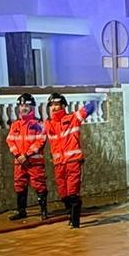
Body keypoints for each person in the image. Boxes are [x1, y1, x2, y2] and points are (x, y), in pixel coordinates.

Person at [45, 93, 96, 228]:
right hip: (59, 164)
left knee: (73, 193)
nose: (54, 108)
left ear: (63, 106)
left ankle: (75, 223)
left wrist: (94, 99)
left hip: (73, 162)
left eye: (57, 105)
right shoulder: (48, 124)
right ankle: (72, 216)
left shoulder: (73, 118)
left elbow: (90, 108)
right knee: (64, 195)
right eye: (52, 105)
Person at [5, 93, 48, 221]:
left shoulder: (39, 124)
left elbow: (41, 141)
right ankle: (21, 211)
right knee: (19, 185)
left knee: (39, 185)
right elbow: (10, 140)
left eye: (26, 105)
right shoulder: (15, 125)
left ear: (32, 107)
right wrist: (18, 155)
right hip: (19, 162)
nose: (23, 108)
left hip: (34, 162)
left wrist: (27, 154)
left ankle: (44, 211)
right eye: (21, 105)